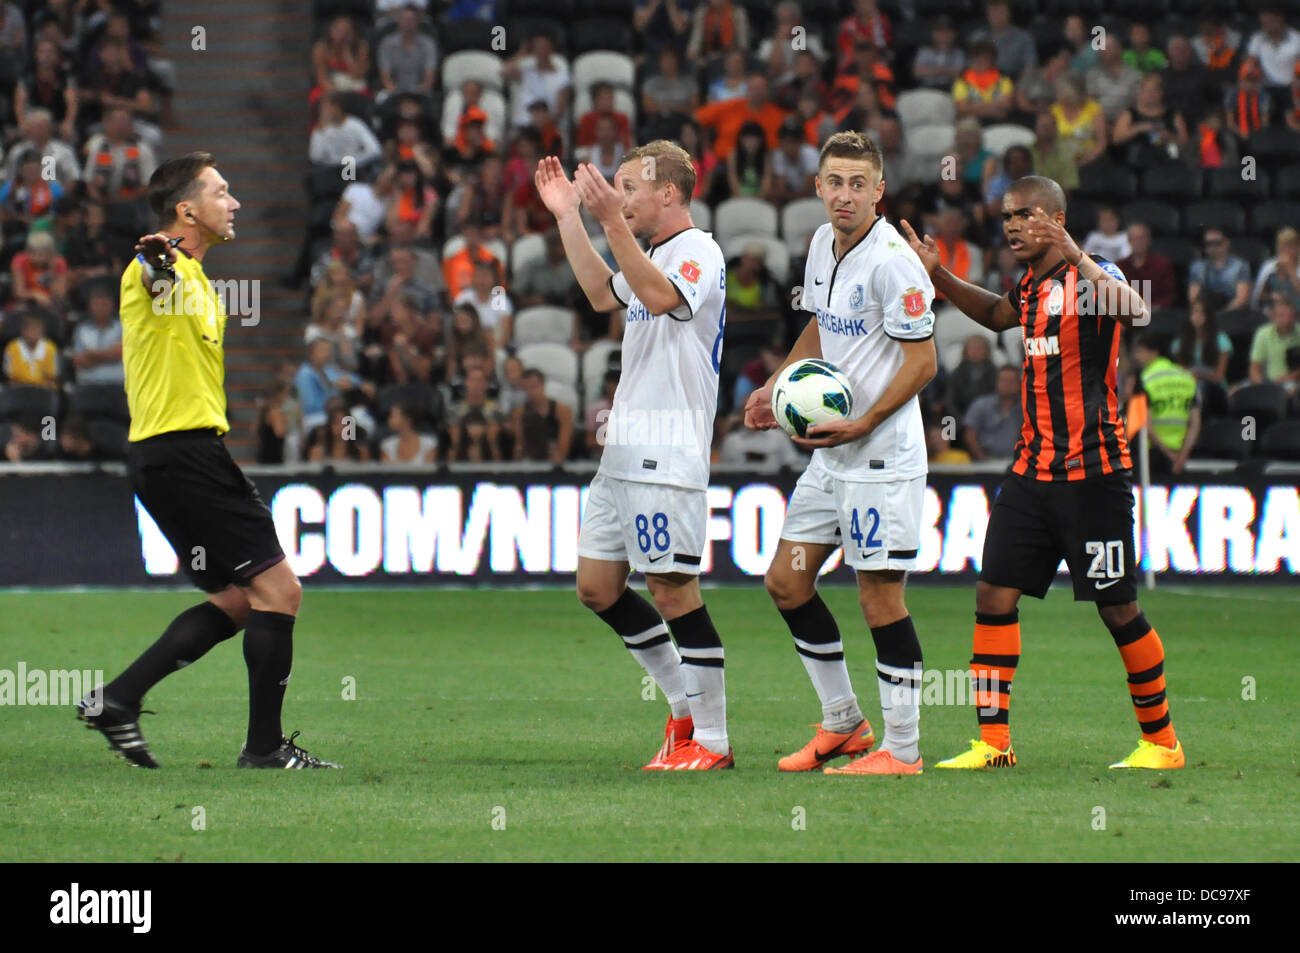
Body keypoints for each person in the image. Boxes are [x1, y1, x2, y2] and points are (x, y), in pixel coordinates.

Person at [901, 174, 1184, 771]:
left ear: (1056, 218)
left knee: (1118, 608)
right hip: (1031, 473)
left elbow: (1136, 311)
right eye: (1006, 216)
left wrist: (1078, 253)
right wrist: (938, 276)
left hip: (1095, 474)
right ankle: (993, 743)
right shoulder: (1029, 286)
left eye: (1023, 214)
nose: (1009, 225)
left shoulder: (1088, 277)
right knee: (992, 594)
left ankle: (1162, 743)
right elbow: (998, 316)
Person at [79, 152, 339, 770]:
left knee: (239, 602)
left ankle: (117, 699)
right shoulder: (161, 266)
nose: (236, 202)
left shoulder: (199, 279)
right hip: (184, 453)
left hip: (169, 456)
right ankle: (264, 750)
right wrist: (156, 260)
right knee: (281, 592)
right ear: (187, 209)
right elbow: (152, 272)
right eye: (223, 192)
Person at [742, 131, 937, 776]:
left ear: (879, 192)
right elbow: (820, 325)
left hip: (881, 456)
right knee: (787, 581)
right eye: (836, 182)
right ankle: (844, 723)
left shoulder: (894, 262)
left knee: (880, 599)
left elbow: (923, 360)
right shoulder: (822, 247)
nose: (846, 195)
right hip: (832, 457)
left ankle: (902, 751)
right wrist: (776, 386)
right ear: (818, 187)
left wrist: (864, 422)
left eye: (859, 183)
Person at [535, 141, 734, 769]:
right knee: (597, 589)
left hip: (668, 451)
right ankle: (682, 709)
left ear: (667, 192)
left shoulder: (697, 251)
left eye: (628, 188)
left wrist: (611, 223)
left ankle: (714, 740)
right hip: (623, 452)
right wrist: (570, 215)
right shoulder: (649, 252)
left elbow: (661, 298)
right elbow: (602, 294)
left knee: (675, 590)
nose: (617, 199)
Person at [1132, 334, 1200, 474]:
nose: (1136, 357)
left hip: (1152, 456)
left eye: (1140, 351)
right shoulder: (1187, 378)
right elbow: (1195, 424)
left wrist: (1168, 454)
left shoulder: (1144, 380)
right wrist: (1181, 457)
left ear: (1154, 351)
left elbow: (1144, 424)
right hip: (1182, 455)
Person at [512, 367, 573, 463]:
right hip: (530, 463)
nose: (530, 392)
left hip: (557, 463)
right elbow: (519, 445)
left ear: (543, 385)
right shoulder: (519, 414)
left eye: (534, 386)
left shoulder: (562, 411)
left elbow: (564, 446)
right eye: (526, 389)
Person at [963, 364, 1022, 460]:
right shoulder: (980, 405)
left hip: (1016, 462)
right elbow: (969, 435)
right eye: (1003, 380)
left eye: (1012, 381)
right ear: (997, 383)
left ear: (1019, 384)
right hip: (985, 460)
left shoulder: (1027, 409)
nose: (1007, 384)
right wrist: (982, 459)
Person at [1189, 228, 1251, 312]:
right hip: (1206, 313)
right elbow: (1193, 297)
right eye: (1208, 244)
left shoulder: (1240, 265)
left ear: (1227, 243)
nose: (1213, 247)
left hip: (1233, 312)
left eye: (1217, 243)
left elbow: (1241, 298)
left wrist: (1222, 316)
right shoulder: (1197, 266)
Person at [1248, 293, 1300, 389]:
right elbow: (1254, 367)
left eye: (1290, 316)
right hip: (1270, 383)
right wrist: (1262, 386)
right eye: (1282, 316)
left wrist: (1288, 378)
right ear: (1274, 317)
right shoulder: (1263, 334)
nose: (1287, 320)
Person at [2, 311, 58, 387]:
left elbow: (51, 379)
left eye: (38, 330)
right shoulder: (13, 348)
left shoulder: (50, 348)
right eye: (32, 329)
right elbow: (11, 379)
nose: (35, 333)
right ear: (23, 331)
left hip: (43, 391)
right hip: (19, 390)